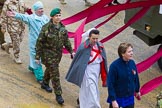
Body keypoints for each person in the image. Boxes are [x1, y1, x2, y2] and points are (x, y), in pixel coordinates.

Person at [35, 8, 73, 105]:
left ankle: (44, 83)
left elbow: (66, 42)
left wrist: (71, 51)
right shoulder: (46, 28)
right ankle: (58, 95)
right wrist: (37, 56)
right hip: (48, 54)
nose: (58, 17)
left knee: (50, 69)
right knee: (55, 74)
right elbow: (39, 42)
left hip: (57, 55)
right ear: (52, 17)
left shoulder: (62, 29)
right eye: (56, 16)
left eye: (59, 15)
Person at [6, 1, 49, 83]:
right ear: (36, 10)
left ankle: (32, 67)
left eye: (42, 8)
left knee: (38, 57)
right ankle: (40, 77)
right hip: (35, 43)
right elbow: (22, 16)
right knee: (37, 58)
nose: (42, 10)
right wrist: (14, 14)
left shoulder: (45, 18)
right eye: (40, 9)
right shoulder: (31, 18)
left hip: (43, 43)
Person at [66, 28, 108, 108]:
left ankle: (83, 105)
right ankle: (95, 105)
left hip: (96, 70)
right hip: (87, 70)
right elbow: (78, 60)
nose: (95, 40)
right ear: (89, 37)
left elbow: (103, 59)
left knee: (90, 87)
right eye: (93, 38)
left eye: (97, 38)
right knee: (91, 87)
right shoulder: (84, 47)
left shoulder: (100, 46)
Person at [107, 42, 141, 108]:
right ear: (122, 54)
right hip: (118, 99)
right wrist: (113, 100)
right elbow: (110, 84)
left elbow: (135, 78)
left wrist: (137, 90)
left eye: (132, 51)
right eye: (129, 52)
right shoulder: (114, 66)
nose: (132, 53)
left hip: (130, 99)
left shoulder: (132, 63)